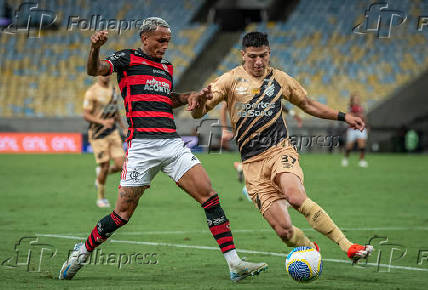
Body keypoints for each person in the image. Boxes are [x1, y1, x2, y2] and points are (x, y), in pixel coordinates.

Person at [59, 17, 267, 282]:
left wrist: (190, 96)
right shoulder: (127, 59)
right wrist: (94, 48)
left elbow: (167, 100)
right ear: (145, 38)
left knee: (209, 196)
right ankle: (82, 252)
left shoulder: (166, 67)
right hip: (142, 147)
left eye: (168, 41)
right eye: (161, 40)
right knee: (122, 214)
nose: (165, 45)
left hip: (171, 143)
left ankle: (234, 263)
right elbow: (94, 70)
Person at [191, 32, 373, 264]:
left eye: (264, 56)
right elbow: (200, 111)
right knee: (284, 231)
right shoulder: (229, 80)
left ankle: (348, 246)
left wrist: (343, 116)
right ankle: (310, 249)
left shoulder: (280, 79)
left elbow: (307, 104)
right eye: (253, 57)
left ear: (269, 54)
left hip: (280, 151)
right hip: (252, 165)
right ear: (243, 55)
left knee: (295, 196)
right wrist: (198, 103)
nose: (259, 62)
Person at [219, 101, 302, 201]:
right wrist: (224, 129)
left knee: (268, 160)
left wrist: (291, 114)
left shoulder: (266, 89)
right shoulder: (238, 88)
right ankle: (253, 188)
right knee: (269, 160)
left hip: (265, 129)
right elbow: (224, 106)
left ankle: (247, 176)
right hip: (253, 130)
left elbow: (277, 100)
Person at [83, 75, 127, 208]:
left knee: (122, 165)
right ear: (98, 74)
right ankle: (101, 198)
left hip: (113, 132)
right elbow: (86, 115)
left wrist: (123, 128)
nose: (106, 75)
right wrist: (102, 121)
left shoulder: (113, 90)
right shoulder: (92, 92)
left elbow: (115, 111)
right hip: (98, 134)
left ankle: (101, 174)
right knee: (105, 165)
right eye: (103, 73)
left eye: (108, 73)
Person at [341, 93, 368, 167]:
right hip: (352, 129)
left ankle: (362, 160)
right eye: (355, 99)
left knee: (362, 146)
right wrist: (357, 114)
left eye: (357, 98)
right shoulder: (350, 107)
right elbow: (349, 116)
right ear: (352, 100)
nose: (356, 100)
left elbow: (364, 117)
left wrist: (366, 126)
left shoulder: (362, 107)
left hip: (361, 128)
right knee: (349, 146)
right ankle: (345, 158)